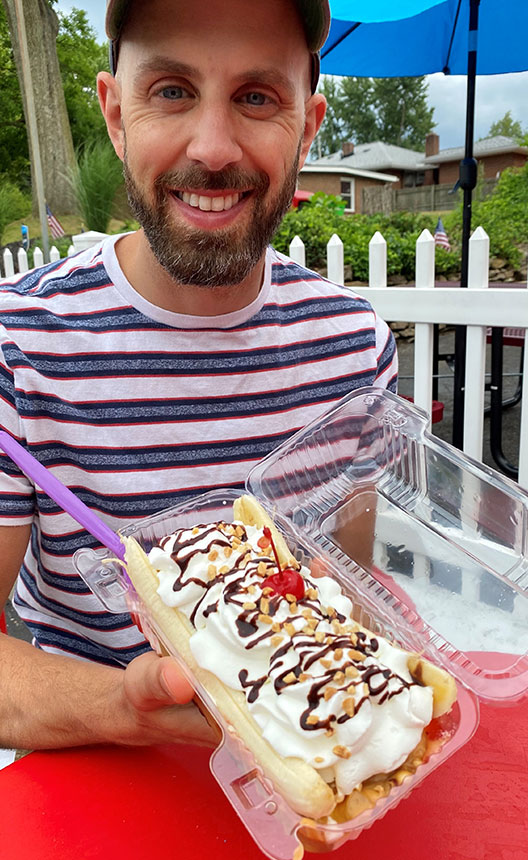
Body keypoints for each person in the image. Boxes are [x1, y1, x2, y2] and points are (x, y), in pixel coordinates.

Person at [0, 0, 397, 751]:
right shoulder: (16, 342)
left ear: (308, 128)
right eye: (172, 91)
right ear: (117, 115)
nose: (213, 149)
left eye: (256, 97)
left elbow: (350, 594)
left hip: (306, 755)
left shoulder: (355, 347)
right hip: (86, 779)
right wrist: (125, 707)